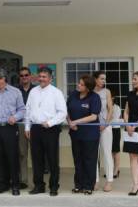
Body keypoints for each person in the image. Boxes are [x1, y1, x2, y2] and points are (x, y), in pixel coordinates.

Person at [24, 67, 67, 197]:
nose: (41, 79)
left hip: (50, 129)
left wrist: (50, 123)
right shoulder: (33, 91)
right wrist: (27, 127)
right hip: (35, 128)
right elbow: (28, 110)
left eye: (44, 76)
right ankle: (39, 185)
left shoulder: (56, 92)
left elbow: (63, 113)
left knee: (52, 159)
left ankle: (54, 186)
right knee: (36, 159)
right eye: (40, 76)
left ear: (50, 78)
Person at [67, 74, 101, 195]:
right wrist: (70, 122)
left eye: (81, 84)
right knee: (78, 160)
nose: (78, 85)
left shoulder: (94, 97)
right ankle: (78, 185)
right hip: (75, 133)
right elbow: (67, 111)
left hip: (90, 135)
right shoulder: (73, 95)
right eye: (79, 83)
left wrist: (75, 122)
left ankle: (88, 186)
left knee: (89, 160)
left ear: (88, 87)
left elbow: (94, 116)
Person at [93, 71, 114, 192]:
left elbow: (110, 108)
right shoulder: (90, 92)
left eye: (104, 79)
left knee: (106, 153)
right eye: (101, 78)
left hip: (106, 127)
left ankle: (109, 181)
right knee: (94, 155)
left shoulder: (107, 92)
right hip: (93, 127)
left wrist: (105, 123)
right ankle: (95, 181)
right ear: (95, 79)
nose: (103, 81)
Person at [17, 67, 35, 189]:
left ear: (30, 76)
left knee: (36, 154)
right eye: (22, 75)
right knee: (22, 153)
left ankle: (37, 181)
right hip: (21, 124)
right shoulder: (16, 91)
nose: (24, 77)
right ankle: (23, 180)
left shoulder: (37, 90)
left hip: (35, 124)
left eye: (26, 75)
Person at [111, 94, 123, 179]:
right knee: (110, 151)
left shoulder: (116, 107)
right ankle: (110, 171)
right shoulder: (105, 106)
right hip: (107, 129)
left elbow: (113, 118)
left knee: (116, 150)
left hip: (115, 129)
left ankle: (116, 170)